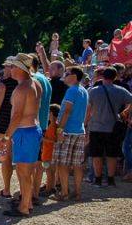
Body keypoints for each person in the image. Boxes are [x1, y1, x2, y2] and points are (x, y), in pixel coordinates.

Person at [2, 54, 42, 217]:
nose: (9, 69)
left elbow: (17, 115)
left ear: (20, 69)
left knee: (24, 172)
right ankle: (27, 202)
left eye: (12, 66)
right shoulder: (35, 83)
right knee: (27, 171)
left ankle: (24, 207)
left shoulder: (22, 88)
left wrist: (6, 137)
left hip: (25, 132)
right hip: (32, 129)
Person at [86, 66, 132, 186]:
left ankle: (98, 179)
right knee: (112, 154)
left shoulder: (94, 90)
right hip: (113, 127)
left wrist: (85, 123)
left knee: (97, 154)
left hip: (96, 126)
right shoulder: (120, 90)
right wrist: (125, 112)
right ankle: (111, 179)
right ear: (115, 77)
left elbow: (88, 110)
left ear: (102, 76)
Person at [53, 67, 89, 201]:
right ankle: (78, 193)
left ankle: (64, 192)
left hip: (67, 131)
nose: (65, 76)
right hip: (79, 131)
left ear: (74, 76)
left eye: (67, 74)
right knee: (77, 164)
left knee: (63, 163)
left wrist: (59, 130)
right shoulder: (84, 91)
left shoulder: (71, 90)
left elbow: (67, 110)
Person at [0, 62, 18, 197]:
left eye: (6, 66)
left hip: (4, 126)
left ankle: (7, 189)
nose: (3, 69)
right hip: (21, 125)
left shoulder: (4, 84)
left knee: (6, 158)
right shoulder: (25, 83)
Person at [30, 54, 52, 199]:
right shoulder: (45, 79)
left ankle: (29, 195)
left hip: (33, 125)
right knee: (38, 163)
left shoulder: (34, 80)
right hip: (43, 124)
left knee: (31, 164)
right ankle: (35, 193)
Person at [41, 104, 61, 195]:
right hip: (50, 153)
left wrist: (43, 138)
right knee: (51, 172)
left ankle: (48, 189)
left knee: (49, 173)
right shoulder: (55, 125)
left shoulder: (53, 126)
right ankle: (52, 187)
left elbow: (54, 140)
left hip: (49, 154)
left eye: (49, 113)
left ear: (52, 114)